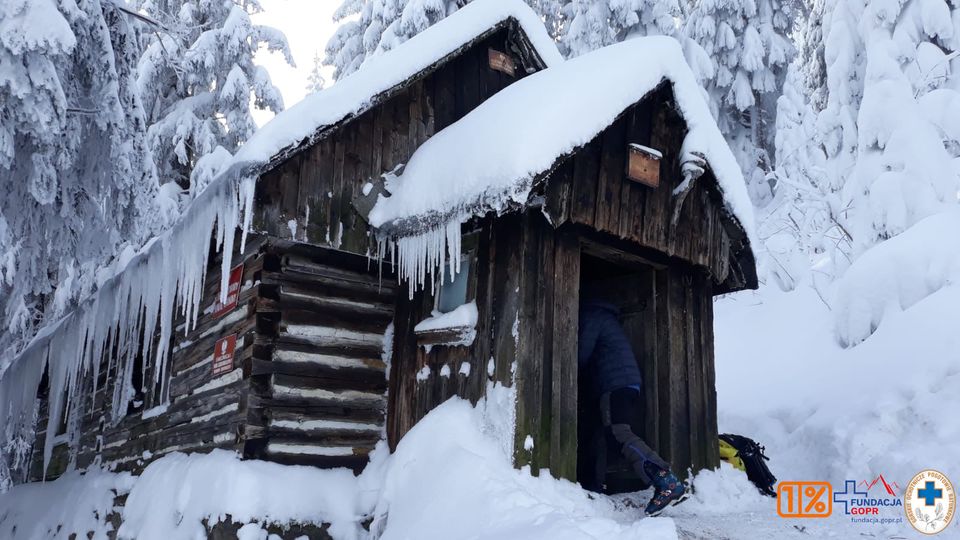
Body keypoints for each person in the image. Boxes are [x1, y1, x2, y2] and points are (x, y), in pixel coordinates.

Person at [578, 298, 687, 516]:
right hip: (626, 383)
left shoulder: (592, 316)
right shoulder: (606, 317)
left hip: (614, 384)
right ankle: (594, 486)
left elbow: (580, 354)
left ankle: (665, 479)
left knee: (617, 432)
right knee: (603, 434)